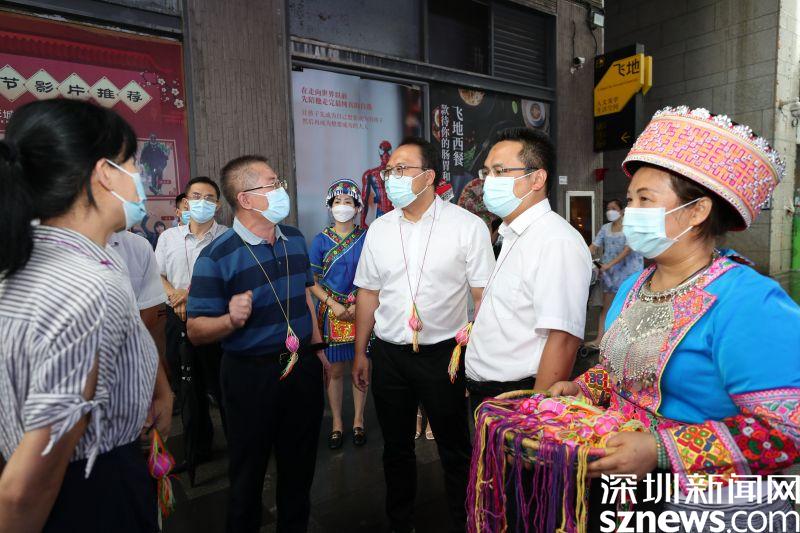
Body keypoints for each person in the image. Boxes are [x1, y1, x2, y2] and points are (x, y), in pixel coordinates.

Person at [548, 106, 800, 530]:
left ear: (698, 211)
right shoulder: (634, 286)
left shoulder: (748, 300)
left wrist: (660, 450)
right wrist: (582, 387)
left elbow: (786, 429)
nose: (630, 212)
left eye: (645, 200)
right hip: (627, 491)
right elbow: (623, 370)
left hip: (713, 507)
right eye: (630, 200)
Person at [0, 99, 171, 531]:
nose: (140, 178)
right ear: (104, 174)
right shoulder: (87, 286)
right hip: (86, 494)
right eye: (132, 164)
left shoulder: (29, 257)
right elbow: (26, 487)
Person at [352, 136, 495, 533]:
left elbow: (483, 296)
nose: (391, 178)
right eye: (389, 171)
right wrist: (362, 351)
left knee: (454, 446)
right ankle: (400, 522)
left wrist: (476, 355)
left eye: (401, 169)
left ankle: (465, 520)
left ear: (429, 176)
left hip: (443, 355)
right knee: (395, 448)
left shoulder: (467, 227)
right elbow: (368, 293)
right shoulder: (380, 229)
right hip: (389, 355)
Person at [186, 155, 329, 533]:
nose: (282, 189)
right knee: (248, 474)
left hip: (301, 367)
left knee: (300, 467)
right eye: (273, 183)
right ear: (246, 199)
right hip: (251, 375)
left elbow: (304, 295)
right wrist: (229, 320)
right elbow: (195, 330)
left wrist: (318, 350)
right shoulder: (216, 256)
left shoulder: (294, 238)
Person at [464, 128, 592, 414]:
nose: (488, 181)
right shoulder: (512, 234)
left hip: (520, 398)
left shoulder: (556, 241)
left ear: (537, 179)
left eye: (500, 171)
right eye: (487, 172)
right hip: (488, 393)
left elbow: (563, 338)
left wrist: (537, 415)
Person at [155, 176, 228, 482]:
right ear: (185, 201)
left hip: (214, 318)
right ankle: (197, 449)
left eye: (209, 198)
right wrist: (175, 295)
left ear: (218, 205)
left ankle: (240, 445)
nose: (202, 202)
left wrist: (192, 296)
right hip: (177, 317)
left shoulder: (227, 238)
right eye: (196, 196)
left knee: (222, 385)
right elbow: (158, 274)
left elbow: (227, 278)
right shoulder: (168, 238)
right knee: (189, 390)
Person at [308, 178, 369, 450]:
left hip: (361, 310)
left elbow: (374, 277)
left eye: (347, 201)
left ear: (357, 207)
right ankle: (336, 422)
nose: (342, 206)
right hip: (330, 312)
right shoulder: (320, 240)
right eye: (337, 201)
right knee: (333, 371)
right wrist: (333, 304)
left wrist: (359, 304)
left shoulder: (367, 238)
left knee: (360, 366)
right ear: (329, 206)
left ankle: (358, 420)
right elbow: (312, 281)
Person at [107, 230, 172, 436]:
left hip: (128, 384)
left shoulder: (137, 247)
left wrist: (160, 389)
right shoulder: (41, 245)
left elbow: (143, 326)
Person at [585, 199, 643, 346]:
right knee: (607, 307)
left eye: (613, 208)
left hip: (629, 272)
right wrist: (582, 254)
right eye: (608, 208)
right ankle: (600, 339)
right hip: (610, 275)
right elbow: (594, 246)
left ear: (621, 211)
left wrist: (608, 265)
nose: (610, 211)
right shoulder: (605, 228)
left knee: (629, 306)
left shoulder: (630, 228)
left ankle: (626, 343)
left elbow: (627, 250)